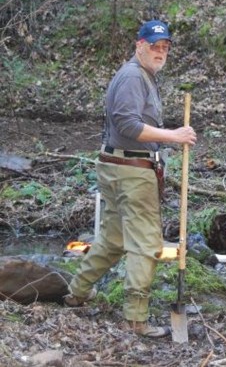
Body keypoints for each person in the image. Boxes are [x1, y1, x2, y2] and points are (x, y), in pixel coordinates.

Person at [64, 20, 197, 338]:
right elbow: (127, 124)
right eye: (154, 46)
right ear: (139, 45)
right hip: (132, 173)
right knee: (145, 245)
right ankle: (136, 319)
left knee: (113, 240)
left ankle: (76, 292)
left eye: (165, 47)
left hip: (119, 167)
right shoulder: (133, 77)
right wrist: (173, 136)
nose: (160, 52)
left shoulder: (142, 76)